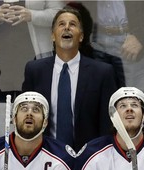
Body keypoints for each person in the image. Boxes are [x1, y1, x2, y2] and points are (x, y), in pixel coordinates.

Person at [22, 7, 117, 153]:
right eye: (61, 24)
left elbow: (107, 123)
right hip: (44, 156)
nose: (67, 27)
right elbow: (26, 117)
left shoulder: (102, 72)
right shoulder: (35, 70)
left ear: (81, 36)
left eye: (72, 24)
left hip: (88, 159)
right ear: (53, 36)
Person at [91, 1, 144, 101]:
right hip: (97, 38)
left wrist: (142, 35)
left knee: (139, 105)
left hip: (132, 38)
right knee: (99, 104)